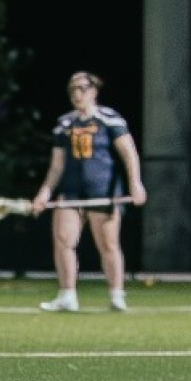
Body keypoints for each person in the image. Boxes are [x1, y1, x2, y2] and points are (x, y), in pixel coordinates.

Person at [31, 71, 148, 312]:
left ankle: (117, 295)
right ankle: (67, 295)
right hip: (71, 192)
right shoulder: (65, 123)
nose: (77, 94)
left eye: (82, 88)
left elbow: (129, 153)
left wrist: (135, 183)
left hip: (102, 191)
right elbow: (57, 165)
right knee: (63, 239)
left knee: (109, 244)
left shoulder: (110, 119)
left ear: (94, 91)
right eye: (72, 89)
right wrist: (45, 192)